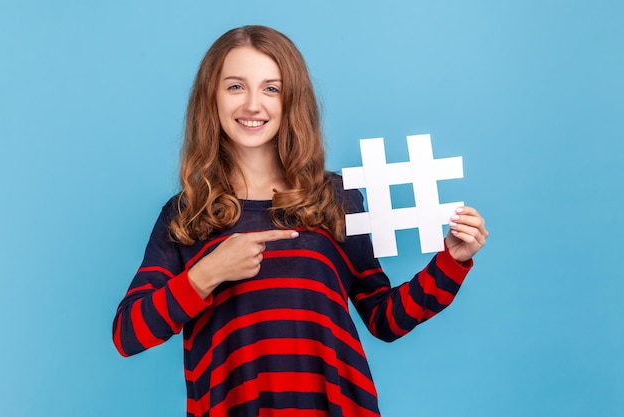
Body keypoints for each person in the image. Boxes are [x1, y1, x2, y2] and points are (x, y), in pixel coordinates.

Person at [112, 25, 488, 417]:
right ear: (211, 98)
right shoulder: (186, 214)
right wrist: (208, 272)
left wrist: (451, 261)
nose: (253, 105)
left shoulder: (335, 199)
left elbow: (383, 319)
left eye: (271, 88)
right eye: (236, 86)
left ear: (292, 100)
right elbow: (127, 335)